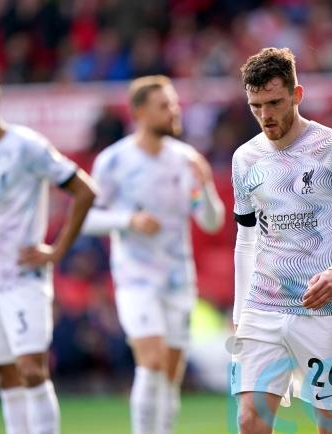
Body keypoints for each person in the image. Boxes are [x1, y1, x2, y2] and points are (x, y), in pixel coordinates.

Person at [231, 47, 332, 434]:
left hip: (325, 307)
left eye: (274, 103)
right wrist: (240, 312)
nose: (265, 115)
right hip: (263, 305)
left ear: (297, 95)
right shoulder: (244, 159)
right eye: (256, 106)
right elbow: (246, 238)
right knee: (250, 421)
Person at [0, 73, 96, 434]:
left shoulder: (26, 146)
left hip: (22, 274)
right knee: (5, 374)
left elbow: (84, 190)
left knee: (31, 369)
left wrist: (57, 250)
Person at [81, 75, 225, 434]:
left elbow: (210, 221)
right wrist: (128, 220)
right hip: (136, 279)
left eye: (174, 104)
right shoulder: (114, 161)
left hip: (178, 280)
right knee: (152, 360)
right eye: (164, 106)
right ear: (140, 113)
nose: (174, 111)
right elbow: (86, 218)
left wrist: (206, 186)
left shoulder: (185, 160)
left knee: (171, 374)